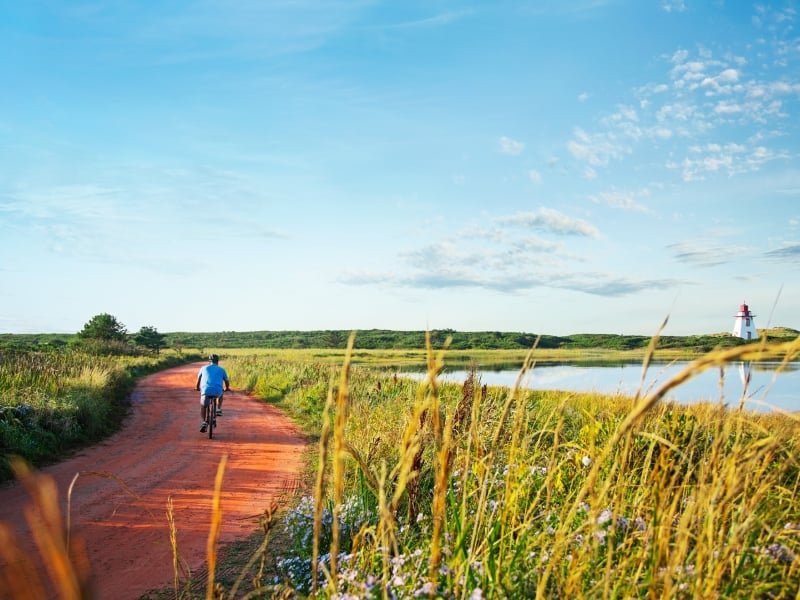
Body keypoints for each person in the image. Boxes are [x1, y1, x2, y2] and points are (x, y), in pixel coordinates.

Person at [196, 353, 230, 433]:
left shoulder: (203, 368)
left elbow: (198, 380)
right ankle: (218, 409)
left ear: (209, 361)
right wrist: (227, 388)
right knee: (221, 391)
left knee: (203, 406)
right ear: (217, 361)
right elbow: (226, 381)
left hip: (205, 391)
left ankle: (204, 422)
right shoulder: (221, 369)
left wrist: (197, 388)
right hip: (217, 391)